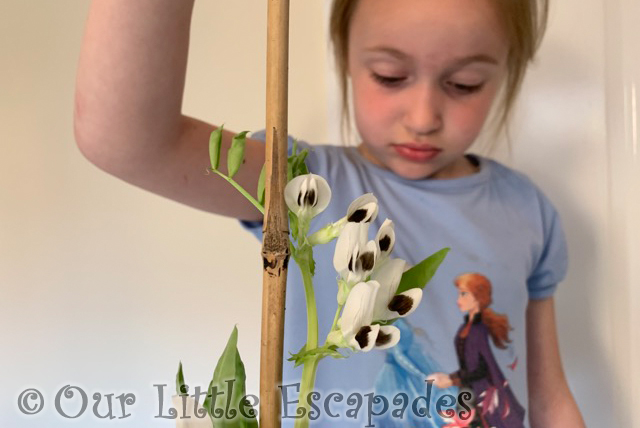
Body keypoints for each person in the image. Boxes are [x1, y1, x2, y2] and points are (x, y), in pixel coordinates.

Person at [74, 0, 585, 426]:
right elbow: (124, 138)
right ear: (345, 56)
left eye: (465, 84)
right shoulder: (305, 183)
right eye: (389, 76)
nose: (424, 118)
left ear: (508, 70)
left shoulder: (527, 209)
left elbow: (548, 396)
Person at [429, 273, 527, 427]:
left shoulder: (479, 331)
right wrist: (449, 378)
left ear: (477, 296)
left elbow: (482, 369)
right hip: (467, 391)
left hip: (480, 395)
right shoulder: (465, 327)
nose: (458, 300)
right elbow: (469, 366)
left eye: (463, 294)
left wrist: (451, 380)